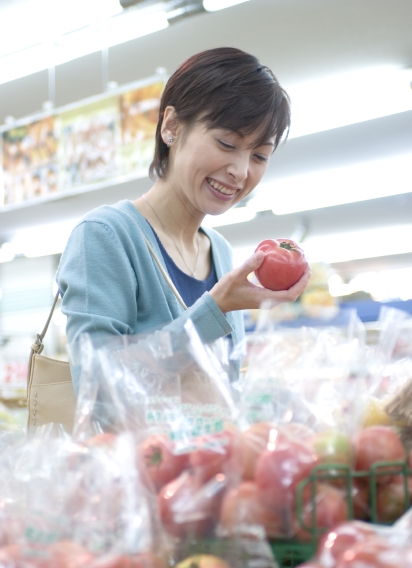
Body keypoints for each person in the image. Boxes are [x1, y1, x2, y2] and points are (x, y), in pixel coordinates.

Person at [57, 47, 310, 391]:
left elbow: (222, 385)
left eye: (260, 155)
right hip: (138, 448)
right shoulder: (105, 236)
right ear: (172, 126)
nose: (240, 171)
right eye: (226, 143)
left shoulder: (218, 250)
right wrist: (214, 310)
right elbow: (97, 388)